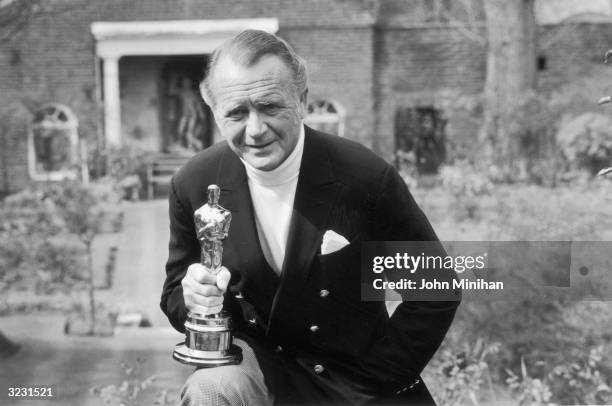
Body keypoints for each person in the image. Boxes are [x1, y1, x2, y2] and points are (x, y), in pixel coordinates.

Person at [161, 29, 460, 405]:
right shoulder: (193, 182)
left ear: (300, 101)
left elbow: (434, 289)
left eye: (270, 106)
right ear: (214, 111)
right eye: (236, 113)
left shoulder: (363, 176)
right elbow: (173, 294)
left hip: (354, 374)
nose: (255, 130)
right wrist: (192, 297)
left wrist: (378, 379)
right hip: (257, 369)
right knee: (210, 390)